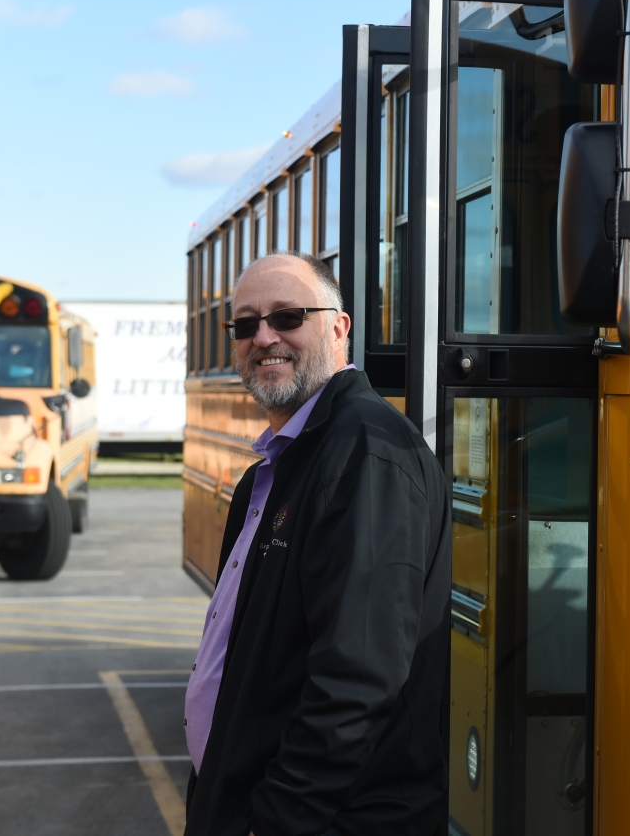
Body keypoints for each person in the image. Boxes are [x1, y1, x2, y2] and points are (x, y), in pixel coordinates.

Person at [183, 252, 451, 836]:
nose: (264, 337)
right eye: (246, 324)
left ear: (338, 328)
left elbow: (357, 677)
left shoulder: (364, 455)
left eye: (287, 317)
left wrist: (275, 821)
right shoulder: (275, 471)